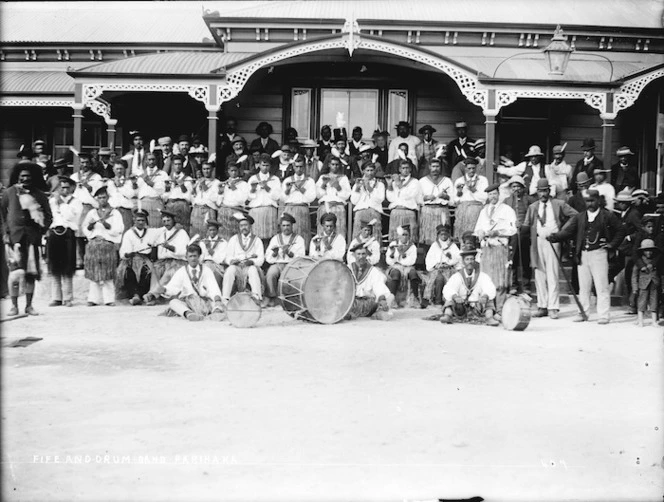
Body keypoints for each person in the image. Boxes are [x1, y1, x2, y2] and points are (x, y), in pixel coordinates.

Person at [547, 189, 625, 324]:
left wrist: (611, 244)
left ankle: (603, 315)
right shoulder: (580, 217)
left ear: (598, 200)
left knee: (602, 286)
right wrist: (554, 237)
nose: (590, 203)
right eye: (587, 201)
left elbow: (621, 230)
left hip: (599, 254)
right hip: (582, 255)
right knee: (584, 287)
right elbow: (569, 232)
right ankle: (583, 313)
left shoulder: (607, 216)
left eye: (592, 200)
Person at [523, 178, 578, 319]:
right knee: (539, 274)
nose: (542, 194)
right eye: (540, 191)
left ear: (549, 191)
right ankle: (542, 306)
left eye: (545, 191)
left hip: (553, 241)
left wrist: (561, 232)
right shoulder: (533, 207)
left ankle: (553, 307)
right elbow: (526, 224)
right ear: (537, 192)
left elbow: (575, 216)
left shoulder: (559, 204)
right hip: (537, 242)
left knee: (552, 273)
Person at [1, 165, 52, 315]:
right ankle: (14, 306)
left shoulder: (40, 195)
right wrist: (5, 232)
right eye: (22, 176)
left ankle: (29, 306)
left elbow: (48, 216)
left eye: (28, 176)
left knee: (31, 273)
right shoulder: (9, 193)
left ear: (33, 178)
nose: (25, 179)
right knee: (14, 273)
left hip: (32, 240)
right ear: (17, 177)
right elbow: (2, 214)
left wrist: (40, 231)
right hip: (14, 239)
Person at [151, 243, 225, 322]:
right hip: (189, 304)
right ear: (186, 258)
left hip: (205, 303)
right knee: (173, 302)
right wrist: (164, 290)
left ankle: (216, 312)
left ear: (199, 257)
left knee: (221, 302)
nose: (193, 259)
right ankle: (189, 314)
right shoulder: (182, 271)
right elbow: (173, 287)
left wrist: (217, 300)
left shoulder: (206, 270)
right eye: (190, 256)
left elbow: (213, 287)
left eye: (195, 256)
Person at [474, 183, 517, 311]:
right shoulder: (484, 211)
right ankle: (488, 308)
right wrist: (480, 233)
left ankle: (500, 308)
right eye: (490, 194)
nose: (492, 196)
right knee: (487, 280)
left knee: (500, 281)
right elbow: (477, 229)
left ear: (499, 194)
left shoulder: (507, 210)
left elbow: (513, 229)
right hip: (487, 249)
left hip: (499, 247)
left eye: (495, 194)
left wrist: (498, 232)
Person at [82, 186, 123, 306]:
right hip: (94, 244)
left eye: (104, 197)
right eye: (99, 198)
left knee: (108, 272)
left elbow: (119, 229)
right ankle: (93, 299)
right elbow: (84, 227)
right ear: (97, 199)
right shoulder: (92, 212)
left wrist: (106, 225)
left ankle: (109, 299)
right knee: (94, 272)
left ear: (108, 198)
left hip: (107, 244)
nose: (102, 200)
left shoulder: (115, 213)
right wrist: (90, 226)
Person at [440, 244, 500, 326]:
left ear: (475, 261)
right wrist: (455, 296)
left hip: (477, 308)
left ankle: (489, 318)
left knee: (489, 298)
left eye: (472, 259)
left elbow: (490, 288)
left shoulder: (482, 276)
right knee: (450, 298)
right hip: (461, 308)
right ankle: (447, 316)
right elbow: (448, 289)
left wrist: (485, 296)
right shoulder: (457, 276)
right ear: (463, 261)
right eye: (467, 259)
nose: (470, 262)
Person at [47, 176, 82, 307]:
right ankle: (56, 297)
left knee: (67, 266)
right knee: (55, 266)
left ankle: (68, 298)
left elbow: (71, 217)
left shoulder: (76, 202)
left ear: (71, 188)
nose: (64, 190)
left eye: (67, 187)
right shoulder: (52, 201)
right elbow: (49, 217)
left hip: (68, 233)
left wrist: (61, 203)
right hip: (54, 233)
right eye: (62, 187)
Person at [142, 209, 189, 305]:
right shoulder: (161, 232)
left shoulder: (181, 233)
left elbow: (184, 252)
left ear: (173, 221)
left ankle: (153, 294)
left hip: (178, 261)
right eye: (164, 221)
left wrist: (170, 248)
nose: (166, 223)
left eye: (169, 220)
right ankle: (154, 296)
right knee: (155, 269)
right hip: (163, 261)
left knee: (169, 272)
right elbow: (151, 239)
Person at [222, 212, 265, 304]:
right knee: (230, 270)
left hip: (249, 266)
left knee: (253, 270)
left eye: (246, 225)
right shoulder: (234, 239)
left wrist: (252, 262)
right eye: (241, 226)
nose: (243, 228)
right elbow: (227, 256)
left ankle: (256, 297)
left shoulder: (257, 240)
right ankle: (225, 298)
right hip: (237, 266)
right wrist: (231, 261)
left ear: (250, 226)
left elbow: (261, 259)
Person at [264, 212, 306, 307]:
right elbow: (268, 258)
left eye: (288, 225)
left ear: (292, 226)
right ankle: (273, 297)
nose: (286, 228)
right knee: (271, 273)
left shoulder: (298, 239)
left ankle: (293, 298)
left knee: (294, 277)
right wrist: (274, 253)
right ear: (280, 227)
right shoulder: (275, 238)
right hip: (278, 264)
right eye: (283, 225)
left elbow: (302, 257)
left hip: (292, 265)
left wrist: (289, 253)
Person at [116, 209, 155, 305]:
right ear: (134, 220)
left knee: (146, 272)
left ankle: (142, 295)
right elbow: (124, 250)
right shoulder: (129, 233)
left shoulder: (150, 232)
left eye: (143, 220)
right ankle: (134, 295)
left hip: (145, 258)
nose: (141, 222)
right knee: (128, 272)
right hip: (131, 259)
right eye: (138, 220)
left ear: (145, 221)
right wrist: (127, 254)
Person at [504, 175, 535, 294]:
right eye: (513, 186)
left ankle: (526, 285)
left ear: (523, 188)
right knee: (513, 259)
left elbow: (534, 216)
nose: (516, 189)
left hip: (525, 234)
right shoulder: (507, 201)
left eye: (518, 186)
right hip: (512, 234)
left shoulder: (530, 200)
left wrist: (525, 225)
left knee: (525, 259)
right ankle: (513, 284)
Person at [71, 152, 103, 268]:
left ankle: (92, 260)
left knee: (90, 234)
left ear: (91, 163)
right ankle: (80, 260)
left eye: (87, 162)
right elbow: (70, 193)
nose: (84, 165)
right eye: (82, 162)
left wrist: (88, 187)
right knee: (78, 234)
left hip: (90, 207)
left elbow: (99, 194)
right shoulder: (74, 177)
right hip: (77, 207)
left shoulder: (96, 177)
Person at [346, 243, 393, 320]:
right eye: (358, 254)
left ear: (366, 255)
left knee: (385, 301)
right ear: (354, 255)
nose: (361, 257)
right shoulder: (347, 269)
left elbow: (378, 285)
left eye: (363, 254)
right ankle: (348, 313)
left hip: (367, 303)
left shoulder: (373, 271)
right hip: (351, 302)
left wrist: (382, 299)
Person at [248, 154, 282, 249]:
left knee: (270, 237)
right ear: (259, 165)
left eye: (267, 165)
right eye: (263, 165)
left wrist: (267, 188)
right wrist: (253, 190)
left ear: (270, 166)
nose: (265, 168)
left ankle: (269, 258)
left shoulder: (275, 179)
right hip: (256, 211)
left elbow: (277, 196)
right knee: (256, 237)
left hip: (269, 210)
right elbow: (248, 198)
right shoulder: (253, 179)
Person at [281, 157, 316, 248]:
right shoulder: (287, 180)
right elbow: (283, 198)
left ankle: (303, 252)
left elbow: (311, 197)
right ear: (293, 167)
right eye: (297, 167)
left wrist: (301, 188)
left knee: (303, 232)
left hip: (302, 208)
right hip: (290, 208)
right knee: (289, 232)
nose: (299, 169)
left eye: (301, 167)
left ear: (304, 167)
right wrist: (288, 190)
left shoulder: (309, 181)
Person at [423, 223, 461, 306]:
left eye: (445, 234)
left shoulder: (453, 245)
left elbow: (458, 258)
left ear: (448, 234)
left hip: (449, 269)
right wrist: (436, 265)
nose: (443, 236)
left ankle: (449, 300)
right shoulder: (435, 245)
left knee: (450, 280)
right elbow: (429, 258)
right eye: (441, 234)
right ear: (438, 235)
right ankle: (438, 300)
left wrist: (449, 262)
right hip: (438, 269)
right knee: (439, 279)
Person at [386, 224, 423, 308]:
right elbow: (388, 261)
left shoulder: (412, 246)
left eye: (406, 235)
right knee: (396, 274)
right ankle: (392, 299)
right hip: (395, 266)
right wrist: (392, 254)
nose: (405, 237)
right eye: (403, 235)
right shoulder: (393, 244)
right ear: (399, 236)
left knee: (413, 274)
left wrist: (402, 255)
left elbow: (412, 261)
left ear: (409, 236)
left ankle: (415, 299)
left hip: (408, 267)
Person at [418, 158, 453, 246]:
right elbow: (417, 199)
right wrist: (426, 197)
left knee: (443, 236)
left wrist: (446, 196)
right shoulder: (422, 181)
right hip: (428, 211)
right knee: (428, 238)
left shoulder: (447, 181)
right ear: (429, 167)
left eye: (437, 166)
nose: (435, 169)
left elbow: (453, 200)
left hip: (442, 210)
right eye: (433, 166)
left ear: (440, 167)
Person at [386, 160, 422, 242]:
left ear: (410, 169)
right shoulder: (395, 182)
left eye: (407, 168)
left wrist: (399, 184)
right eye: (403, 168)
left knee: (408, 237)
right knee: (395, 238)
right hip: (396, 212)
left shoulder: (415, 182)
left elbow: (408, 196)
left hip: (408, 212)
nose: (405, 170)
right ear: (399, 169)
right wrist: (389, 185)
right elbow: (390, 199)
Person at [316, 157, 351, 240]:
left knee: (339, 229)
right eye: (333, 164)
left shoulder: (343, 178)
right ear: (329, 165)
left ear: (339, 166)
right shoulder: (323, 177)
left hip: (338, 207)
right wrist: (323, 185)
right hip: (325, 206)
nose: (335, 166)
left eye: (337, 165)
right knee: (324, 229)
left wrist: (338, 187)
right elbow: (318, 195)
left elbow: (347, 195)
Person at [452, 157, 488, 238]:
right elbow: (455, 200)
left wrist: (473, 190)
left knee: (475, 233)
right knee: (462, 234)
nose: (471, 170)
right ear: (465, 168)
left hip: (477, 210)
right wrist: (459, 192)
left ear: (477, 168)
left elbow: (485, 197)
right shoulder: (459, 181)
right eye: (469, 168)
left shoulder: (482, 180)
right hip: (463, 211)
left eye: (473, 168)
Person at [350, 163, 385, 240]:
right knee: (359, 235)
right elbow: (353, 201)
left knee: (375, 236)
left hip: (374, 211)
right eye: (367, 170)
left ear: (375, 171)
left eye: (371, 170)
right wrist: (357, 189)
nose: (370, 173)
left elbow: (380, 199)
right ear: (363, 171)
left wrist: (369, 188)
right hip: (361, 212)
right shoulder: (357, 184)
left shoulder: (380, 184)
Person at [214, 163, 249, 240]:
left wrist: (233, 187)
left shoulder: (243, 184)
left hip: (237, 212)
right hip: (224, 213)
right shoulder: (224, 183)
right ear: (228, 172)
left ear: (239, 171)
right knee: (223, 236)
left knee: (236, 237)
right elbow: (218, 203)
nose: (233, 173)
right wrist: (220, 192)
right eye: (231, 171)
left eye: (235, 170)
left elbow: (242, 200)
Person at [631, 239, 661, 327]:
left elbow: (661, 274)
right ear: (642, 251)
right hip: (643, 285)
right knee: (641, 302)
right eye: (646, 250)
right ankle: (640, 320)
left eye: (651, 250)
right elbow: (634, 275)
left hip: (654, 284)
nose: (649, 252)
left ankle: (654, 321)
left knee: (654, 302)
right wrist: (635, 288)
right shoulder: (639, 262)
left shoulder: (656, 262)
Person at [134, 154, 168, 228]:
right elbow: (137, 190)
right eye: (149, 160)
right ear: (146, 161)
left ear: (156, 160)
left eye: (153, 159)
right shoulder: (140, 173)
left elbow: (162, 190)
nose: (151, 161)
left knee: (157, 227)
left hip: (157, 202)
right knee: (144, 227)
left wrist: (148, 181)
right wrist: (133, 183)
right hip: (144, 203)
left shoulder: (162, 174)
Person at [190, 161, 220, 238]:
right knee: (195, 235)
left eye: (208, 169)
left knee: (207, 235)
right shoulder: (199, 181)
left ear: (212, 169)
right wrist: (193, 191)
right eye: (204, 169)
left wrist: (204, 186)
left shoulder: (217, 182)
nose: (206, 171)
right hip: (196, 210)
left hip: (208, 210)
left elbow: (215, 199)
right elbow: (194, 198)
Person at [106, 159, 134, 231]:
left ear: (124, 169)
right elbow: (110, 194)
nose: (119, 171)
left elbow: (130, 194)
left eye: (121, 169)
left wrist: (120, 186)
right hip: (113, 210)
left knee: (126, 232)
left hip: (125, 210)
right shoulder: (109, 182)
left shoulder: (129, 182)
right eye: (117, 169)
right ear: (113, 169)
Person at [199, 219, 227, 290]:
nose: (212, 232)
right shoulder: (203, 242)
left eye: (214, 230)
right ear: (207, 231)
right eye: (210, 230)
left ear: (217, 231)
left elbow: (220, 259)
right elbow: (201, 258)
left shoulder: (223, 242)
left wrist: (209, 249)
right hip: (205, 264)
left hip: (217, 266)